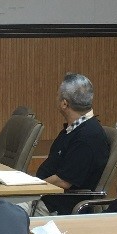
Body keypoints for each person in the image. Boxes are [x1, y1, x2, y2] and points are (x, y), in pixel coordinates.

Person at [35, 73, 110, 214]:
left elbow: (63, 181)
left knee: (2, 210)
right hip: (45, 195)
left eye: (57, 95)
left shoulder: (87, 137)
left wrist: (33, 187)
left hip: (55, 205)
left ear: (64, 103)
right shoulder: (75, 129)